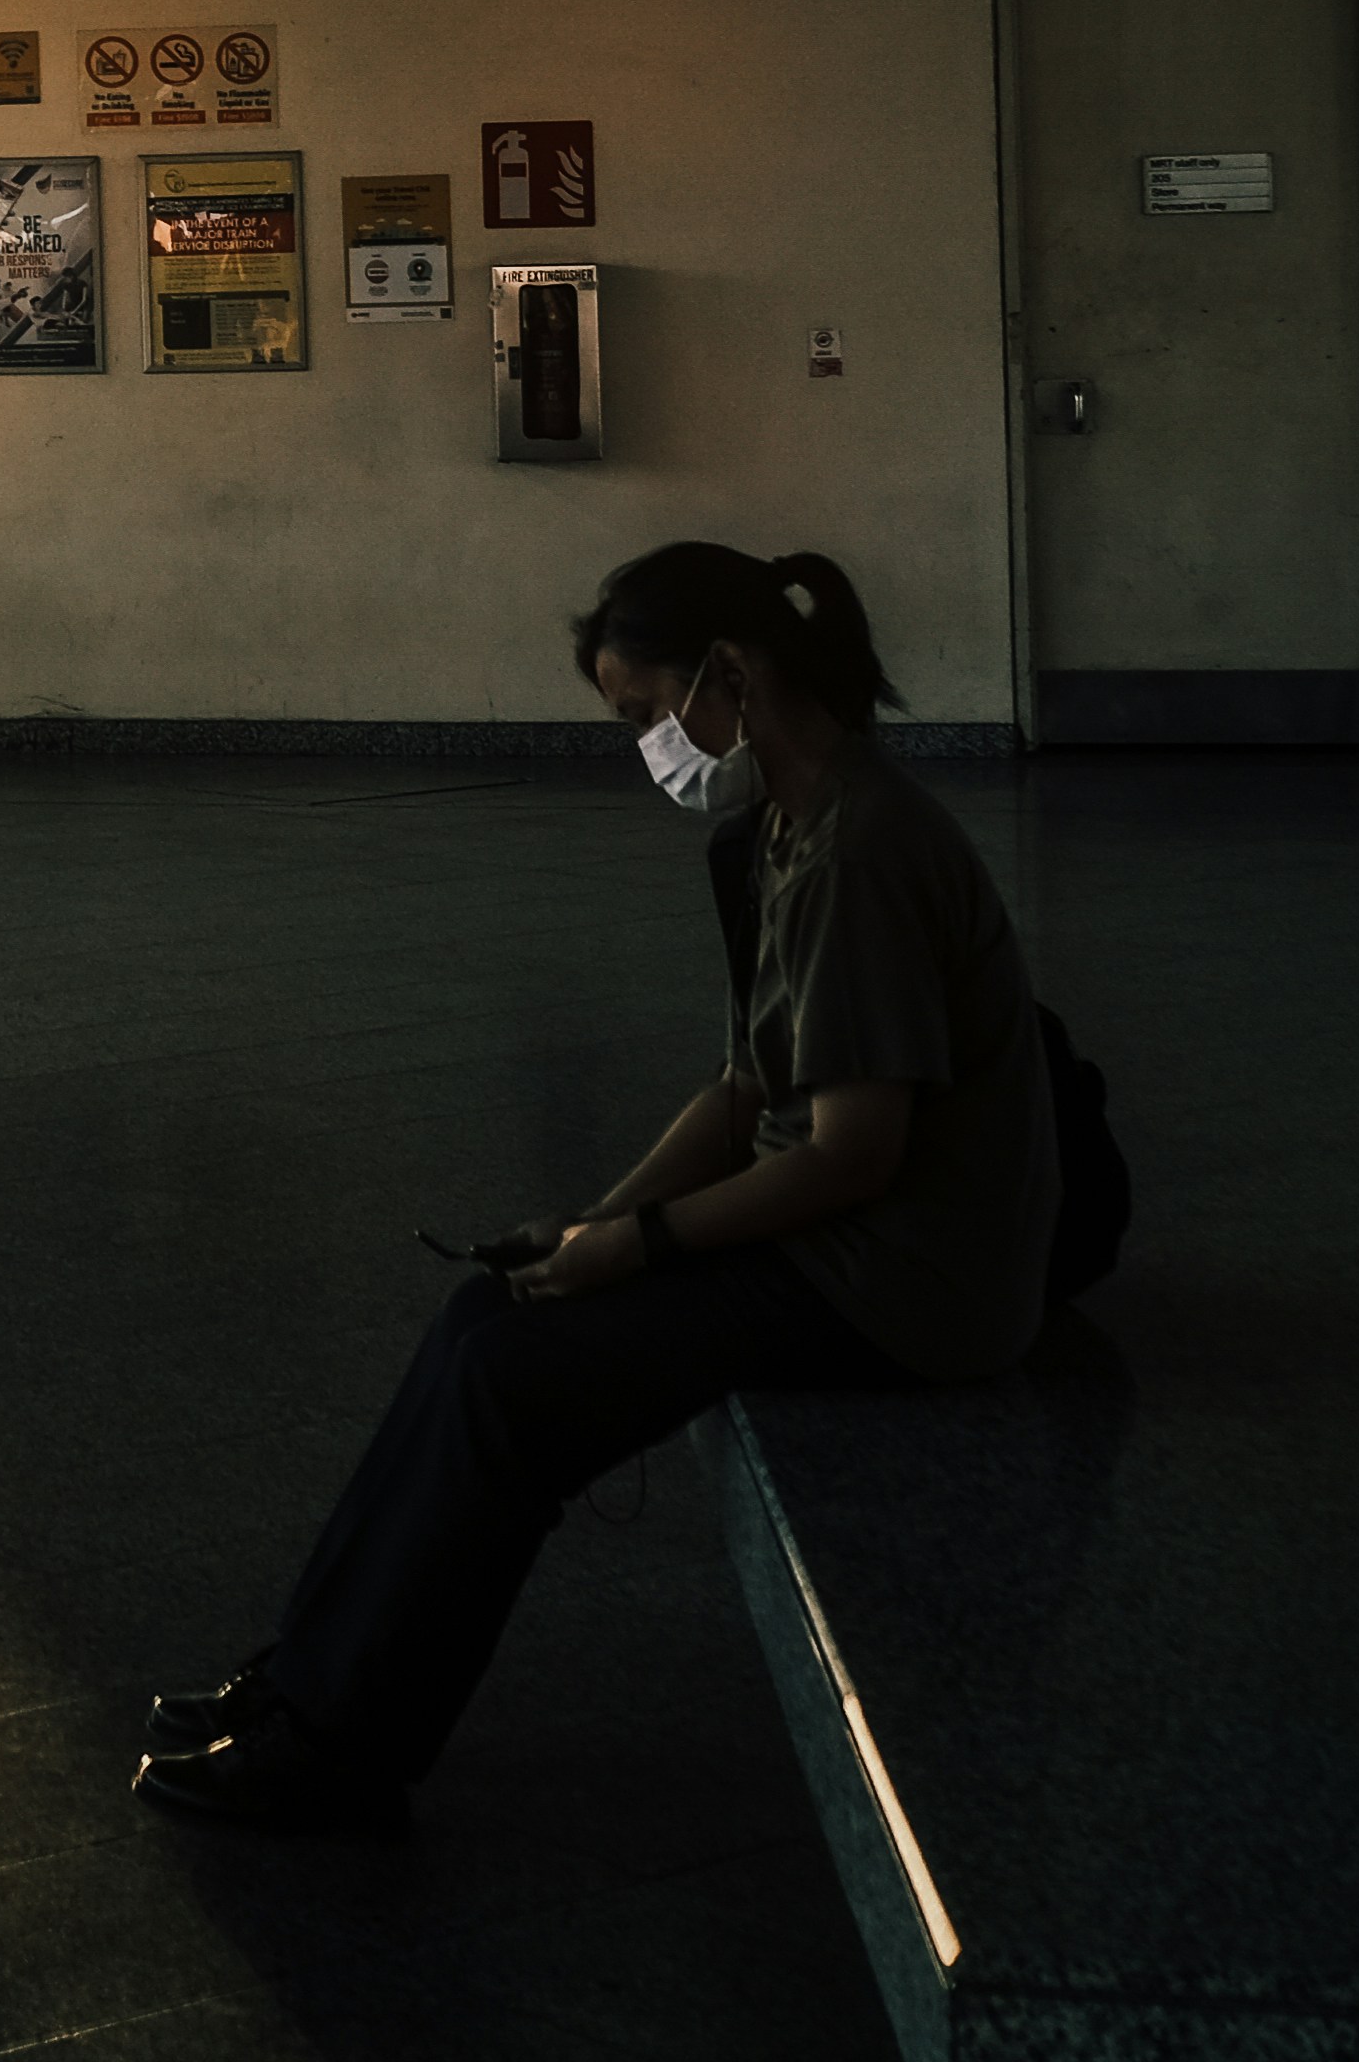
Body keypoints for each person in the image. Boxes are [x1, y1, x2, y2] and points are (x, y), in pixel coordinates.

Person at [138, 542, 1059, 1830]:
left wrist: (643, 1248)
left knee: (513, 1386)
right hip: (843, 1239)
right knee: (484, 1321)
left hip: (906, 1279)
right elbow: (746, 1091)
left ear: (728, 674)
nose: (650, 750)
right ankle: (305, 1672)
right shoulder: (786, 830)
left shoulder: (857, 850)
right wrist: (593, 1223)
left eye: (647, 715)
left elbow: (853, 1152)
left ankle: (342, 1742)